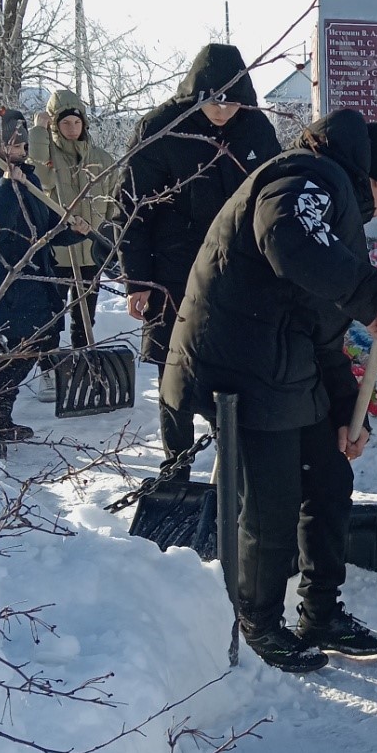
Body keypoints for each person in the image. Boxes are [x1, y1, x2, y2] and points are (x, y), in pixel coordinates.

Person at [161, 111, 377, 673]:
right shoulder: (306, 177)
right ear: (372, 175)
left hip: (282, 362)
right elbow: (287, 241)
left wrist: (351, 414)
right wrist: (370, 294)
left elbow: (322, 329)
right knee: (272, 500)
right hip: (238, 365)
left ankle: (321, 611)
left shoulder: (335, 205)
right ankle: (258, 621)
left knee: (331, 474)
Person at [119, 43, 280, 468]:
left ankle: (234, 463)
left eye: (231, 101)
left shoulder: (256, 129)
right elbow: (132, 211)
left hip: (239, 269)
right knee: (175, 369)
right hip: (173, 271)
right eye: (213, 101)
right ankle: (177, 462)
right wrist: (137, 280)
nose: (222, 112)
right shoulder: (161, 129)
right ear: (195, 94)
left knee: (234, 365)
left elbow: (273, 198)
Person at [0, 105, 91, 458]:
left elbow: (41, 233)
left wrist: (71, 232)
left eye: (20, 139)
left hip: (38, 278)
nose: (19, 145)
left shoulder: (28, 178)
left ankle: (0, 416)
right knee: (16, 349)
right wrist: (6, 185)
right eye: (9, 139)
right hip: (4, 283)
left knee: (39, 342)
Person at [28, 87, 119, 349]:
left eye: (77, 122)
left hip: (91, 251)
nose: (72, 128)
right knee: (51, 317)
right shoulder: (47, 158)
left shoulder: (101, 158)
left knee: (85, 318)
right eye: (65, 122)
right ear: (55, 124)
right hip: (58, 252)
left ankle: (84, 364)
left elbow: (114, 201)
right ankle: (51, 370)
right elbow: (38, 180)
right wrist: (38, 133)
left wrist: (108, 233)